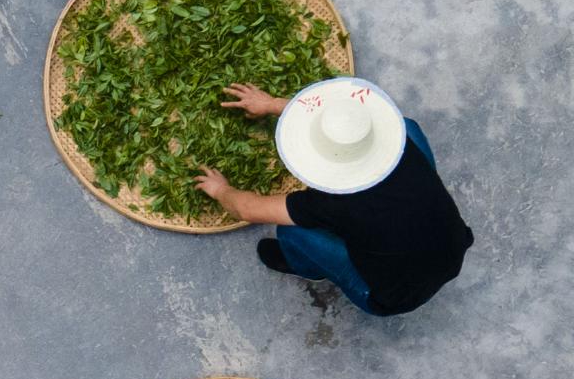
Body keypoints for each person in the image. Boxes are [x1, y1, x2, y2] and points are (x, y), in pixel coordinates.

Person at [196, 77, 473, 317]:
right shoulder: (399, 145)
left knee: (292, 231)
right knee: (407, 126)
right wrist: (272, 104)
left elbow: (247, 209)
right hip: (452, 248)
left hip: (393, 295)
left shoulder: (337, 204)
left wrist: (220, 189)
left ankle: (308, 266)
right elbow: (341, 126)